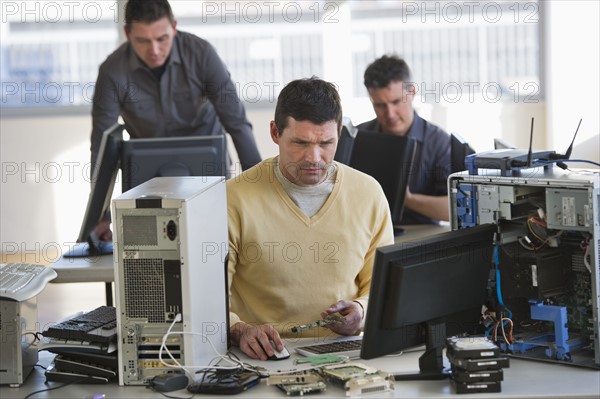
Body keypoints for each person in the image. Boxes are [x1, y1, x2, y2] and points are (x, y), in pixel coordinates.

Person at [226, 77, 395, 360]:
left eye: (326, 143)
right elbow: (208, 295)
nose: (314, 158)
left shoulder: (368, 193)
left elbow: (382, 285)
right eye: (300, 143)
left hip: (346, 352)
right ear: (274, 133)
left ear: (339, 133)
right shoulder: (235, 197)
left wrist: (362, 310)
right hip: (263, 354)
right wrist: (239, 329)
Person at [90, 0, 261, 240]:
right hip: (146, 182)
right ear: (127, 34)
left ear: (174, 26)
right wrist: (101, 215)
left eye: (162, 38)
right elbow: (102, 143)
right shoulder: (112, 71)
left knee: (212, 248)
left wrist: (259, 194)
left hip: (208, 174)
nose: (155, 50)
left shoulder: (202, 55)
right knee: (146, 257)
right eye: (143, 41)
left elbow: (237, 124)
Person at [358, 54, 451, 225]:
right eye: (379, 105)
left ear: (412, 92)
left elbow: (454, 209)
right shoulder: (357, 137)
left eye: (396, 101)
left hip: (420, 237)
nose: (390, 114)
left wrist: (405, 198)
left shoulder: (439, 142)